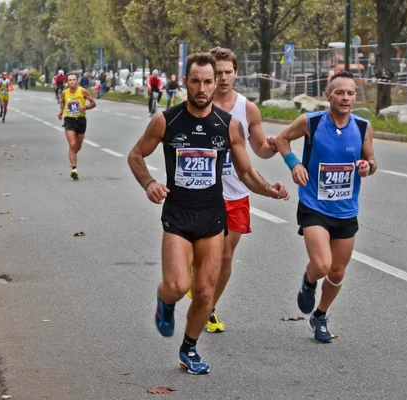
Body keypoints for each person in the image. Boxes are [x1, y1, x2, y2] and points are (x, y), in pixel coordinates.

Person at [127, 52, 289, 375]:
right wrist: (149, 183)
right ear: (185, 82)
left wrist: (268, 188)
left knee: (203, 292)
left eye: (208, 82)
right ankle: (165, 301)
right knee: (176, 285)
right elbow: (135, 155)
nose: (201, 88)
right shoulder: (166, 120)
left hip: (212, 218)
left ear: (217, 84)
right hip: (178, 216)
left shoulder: (228, 126)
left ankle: (189, 348)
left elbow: (245, 172)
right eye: (195, 81)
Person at [267, 70, 377, 343]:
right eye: (339, 92)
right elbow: (282, 139)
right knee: (323, 264)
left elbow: (372, 160)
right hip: (314, 204)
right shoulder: (311, 122)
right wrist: (295, 164)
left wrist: (367, 167)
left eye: (351, 93)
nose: (346, 98)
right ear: (328, 95)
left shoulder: (363, 127)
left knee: (338, 271)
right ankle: (309, 279)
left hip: (346, 209)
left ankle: (320, 315)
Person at [186, 46, 284, 333]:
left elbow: (260, 150)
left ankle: (209, 308)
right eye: (218, 73)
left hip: (236, 193)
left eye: (229, 72)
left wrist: (276, 145)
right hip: (203, 193)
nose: (224, 78)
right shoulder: (198, 104)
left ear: (236, 73)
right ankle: (199, 288)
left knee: (226, 256)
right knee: (203, 255)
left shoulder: (247, 108)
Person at [57, 72, 96, 180]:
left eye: (74, 79)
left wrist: (85, 107)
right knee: (72, 144)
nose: (72, 81)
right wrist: (61, 111)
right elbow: (62, 102)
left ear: (77, 81)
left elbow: (93, 103)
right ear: (67, 82)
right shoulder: (65, 93)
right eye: (70, 80)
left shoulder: (83, 91)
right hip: (69, 120)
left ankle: (73, 154)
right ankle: (74, 169)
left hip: (81, 121)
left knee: (77, 147)